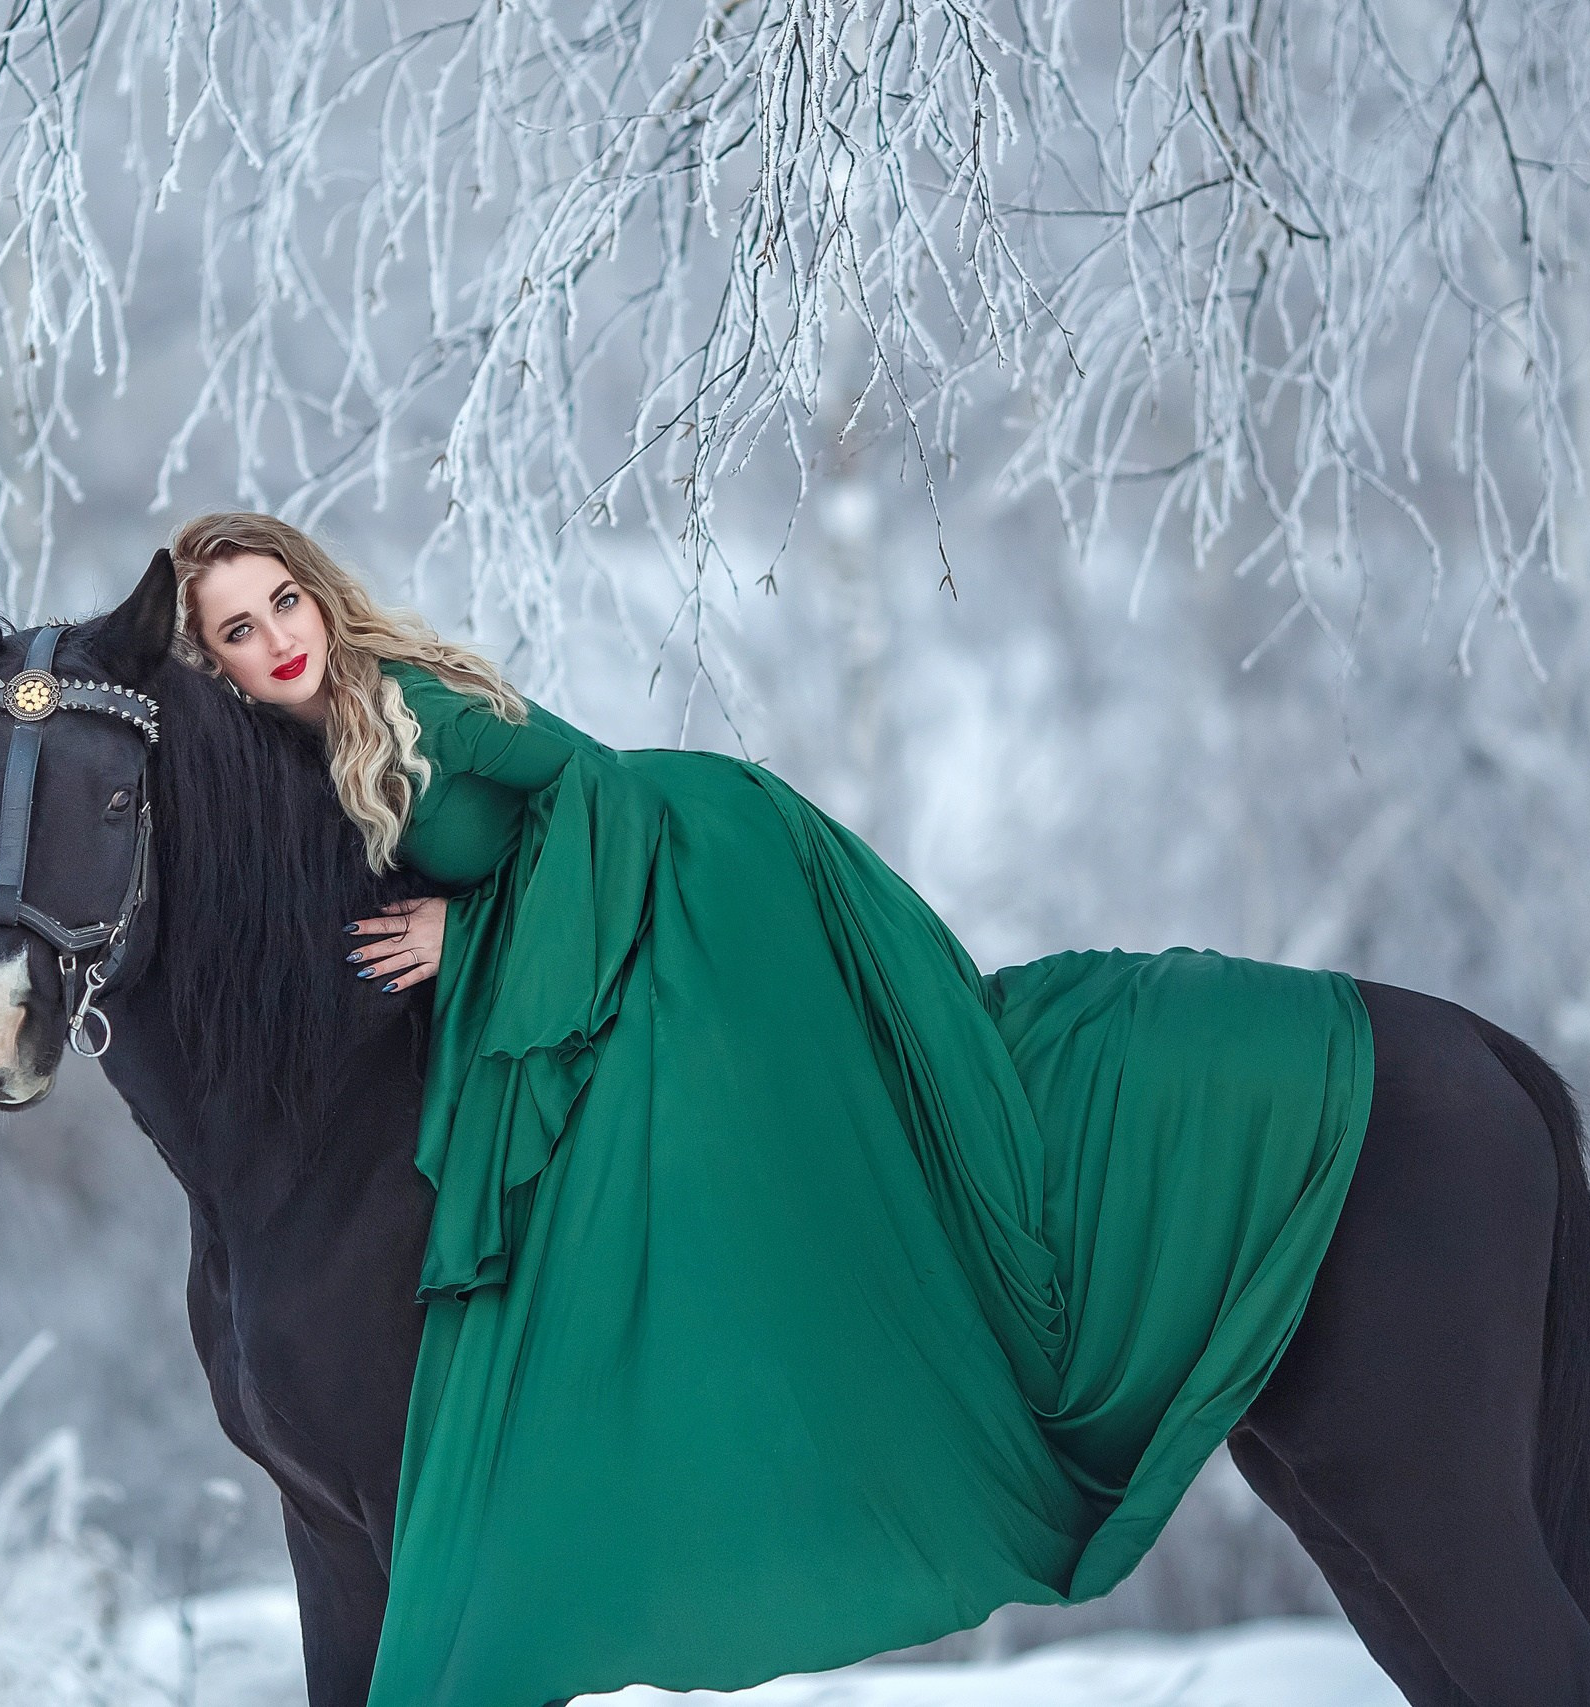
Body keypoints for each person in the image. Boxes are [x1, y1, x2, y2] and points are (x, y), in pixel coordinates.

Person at [171, 511, 1374, 1707]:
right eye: (238, 629)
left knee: (712, 1130)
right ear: (210, 661)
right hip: (585, 928)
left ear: (319, 592)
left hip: (689, 868)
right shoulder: (292, 751)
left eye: (285, 601)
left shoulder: (415, 704)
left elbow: (597, 799)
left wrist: (472, 933)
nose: (277, 637)